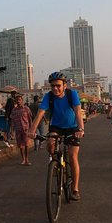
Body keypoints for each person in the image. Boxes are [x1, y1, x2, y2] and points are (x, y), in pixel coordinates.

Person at [28, 72, 84, 201]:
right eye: (52, 86)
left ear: (65, 85)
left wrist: (81, 129)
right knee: (50, 143)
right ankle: (55, 162)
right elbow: (40, 114)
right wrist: (31, 130)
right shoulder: (49, 96)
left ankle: (75, 188)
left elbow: (77, 112)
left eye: (58, 86)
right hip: (56, 126)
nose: (55, 89)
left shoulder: (72, 95)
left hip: (72, 127)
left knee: (73, 156)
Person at [10, 94, 33, 165]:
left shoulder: (26, 109)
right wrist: (12, 131)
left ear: (22, 101)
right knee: (20, 145)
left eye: (19, 100)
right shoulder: (14, 110)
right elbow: (12, 121)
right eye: (17, 100)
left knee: (26, 144)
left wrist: (31, 129)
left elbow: (30, 119)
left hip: (26, 129)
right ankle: (23, 159)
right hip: (18, 130)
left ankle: (27, 159)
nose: (18, 101)